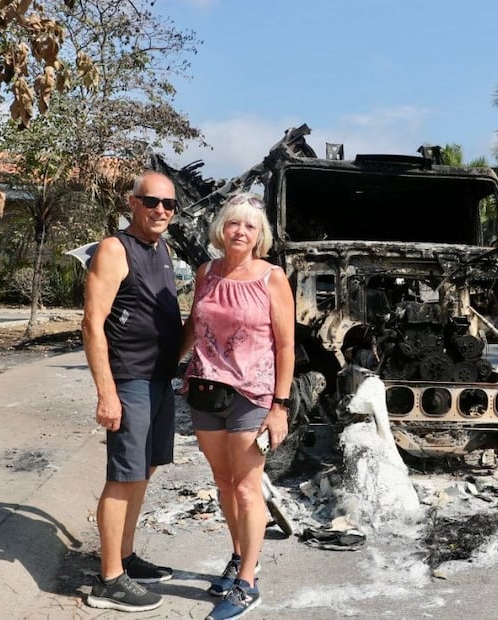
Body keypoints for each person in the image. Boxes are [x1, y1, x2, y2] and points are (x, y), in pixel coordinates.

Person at [180, 192, 295, 620]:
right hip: (206, 390)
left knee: (247, 487)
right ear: (220, 229)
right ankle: (240, 556)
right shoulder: (206, 272)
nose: (240, 231)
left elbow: (286, 344)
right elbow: (194, 324)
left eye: (249, 226)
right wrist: (165, 363)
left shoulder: (272, 278)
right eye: (233, 223)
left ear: (259, 235)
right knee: (224, 482)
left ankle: (248, 583)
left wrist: (279, 406)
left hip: (252, 393)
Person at [82, 172, 183, 612]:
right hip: (130, 381)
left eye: (169, 204)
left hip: (160, 380)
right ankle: (108, 580)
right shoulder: (113, 249)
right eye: (151, 201)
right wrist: (107, 392)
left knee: (145, 471)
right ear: (132, 202)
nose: (161, 209)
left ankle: (123, 557)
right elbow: (92, 324)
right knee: (123, 477)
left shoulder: (161, 248)